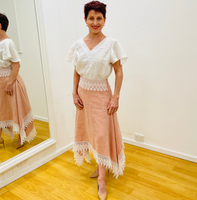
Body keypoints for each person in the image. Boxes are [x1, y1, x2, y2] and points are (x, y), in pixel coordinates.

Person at [66, 1, 128, 199]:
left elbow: (119, 72)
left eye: (99, 18)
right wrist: (74, 93)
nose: (95, 22)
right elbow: (76, 71)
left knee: (101, 135)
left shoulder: (111, 44)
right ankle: (101, 167)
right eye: (91, 18)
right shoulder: (78, 44)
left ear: (104, 20)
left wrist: (116, 96)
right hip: (83, 95)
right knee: (89, 132)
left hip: (102, 94)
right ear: (85, 20)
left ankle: (102, 179)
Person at [0, 13, 37, 149]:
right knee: (0, 110)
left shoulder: (8, 43)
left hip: (10, 82)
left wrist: (9, 83)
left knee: (15, 109)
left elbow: (16, 64)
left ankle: (22, 136)